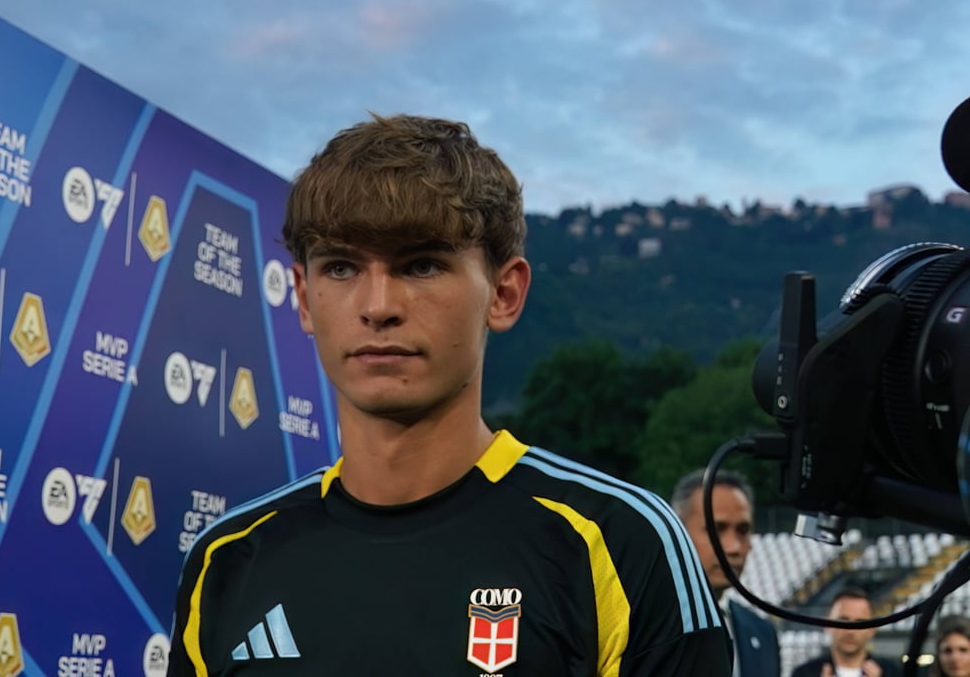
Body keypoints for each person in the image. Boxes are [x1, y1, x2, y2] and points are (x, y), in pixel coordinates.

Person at [168, 113, 732, 675]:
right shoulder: (228, 560)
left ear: (504, 294)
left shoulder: (619, 541)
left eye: (421, 265)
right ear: (304, 297)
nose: (378, 306)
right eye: (341, 268)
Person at [672, 469, 780, 677]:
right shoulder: (641, 624)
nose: (734, 547)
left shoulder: (763, 632)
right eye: (717, 529)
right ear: (678, 532)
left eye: (743, 530)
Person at [790, 587, 902, 677]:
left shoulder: (892, 672)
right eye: (843, 620)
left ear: (872, 629)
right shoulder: (804, 673)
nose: (850, 631)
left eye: (860, 623)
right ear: (827, 624)